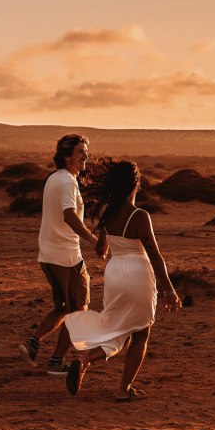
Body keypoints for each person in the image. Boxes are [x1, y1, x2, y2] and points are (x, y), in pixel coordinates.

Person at [63, 159, 180, 402]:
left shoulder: (107, 213)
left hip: (115, 272)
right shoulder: (139, 215)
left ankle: (86, 360)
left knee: (120, 327)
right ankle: (123, 390)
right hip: (137, 272)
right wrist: (169, 289)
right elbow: (154, 254)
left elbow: (101, 249)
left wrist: (108, 247)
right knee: (140, 333)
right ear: (135, 184)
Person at [18, 134, 98, 375]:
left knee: (65, 306)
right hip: (67, 256)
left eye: (86, 151)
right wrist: (93, 240)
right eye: (80, 151)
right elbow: (69, 215)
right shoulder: (67, 182)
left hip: (49, 254)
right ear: (67, 157)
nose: (86, 156)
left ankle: (32, 344)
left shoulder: (54, 178)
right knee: (79, 310)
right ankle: (56, 361)